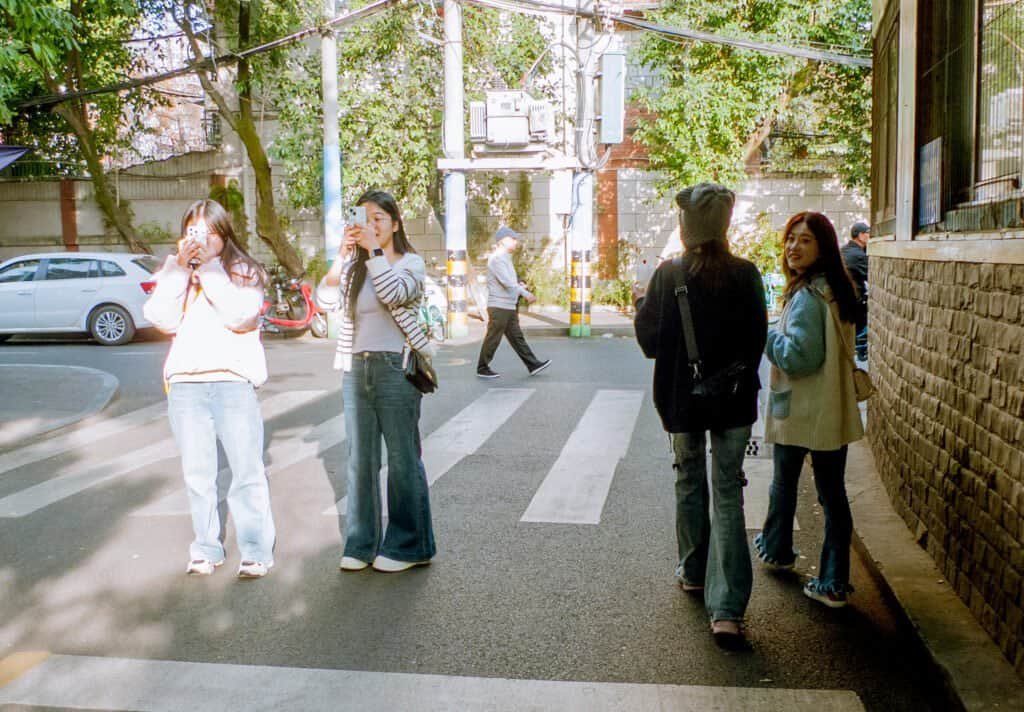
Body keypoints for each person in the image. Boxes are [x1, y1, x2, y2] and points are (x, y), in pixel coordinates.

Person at [634, 183, 768, 648]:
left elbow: (650, 344)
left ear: (686, 227)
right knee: (728, 493)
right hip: (733, 401)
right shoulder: (748, 274)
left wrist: (641, 308)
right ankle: (727, 611)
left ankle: (693, 570)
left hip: (682, 401)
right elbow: (756, 343)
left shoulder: (669, 275)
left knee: (688, 479)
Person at [143, 199, 276, 579]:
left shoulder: (243, 270)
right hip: (186, 384)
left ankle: (255, 550)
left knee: (246, 470)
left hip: (232, 382)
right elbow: (160, 318)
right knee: (197, 474)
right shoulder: (177, 272)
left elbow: (239, 314)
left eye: (208, 232)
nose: (200, 240)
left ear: (223, 233)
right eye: (193, 232)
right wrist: (179, 269)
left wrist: (212, 269)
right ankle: (205, 548)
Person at [316, 190, 436, 573]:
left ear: (395, 224)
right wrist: (342, 256)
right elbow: (323, 299)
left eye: (378, 218)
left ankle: (410, 545)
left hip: (395, 367)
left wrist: (374, 254)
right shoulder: (355, 267)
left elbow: (393, 294)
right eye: (364, 218)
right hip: (355, 367)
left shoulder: (410, 264)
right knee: (360, 460)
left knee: (402, 459)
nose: (370, 225)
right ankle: (362, 542)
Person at [754, 211, 865, 609]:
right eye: (790, 239)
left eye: (805, 240)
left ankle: (777, 549)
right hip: (830, 412)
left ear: (822, 248)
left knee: (785, 484)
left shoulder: (806, 297)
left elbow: (799, 357)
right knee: (833, 495)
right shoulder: (838, 290)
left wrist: (767, 335)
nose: (793, 247)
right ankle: (834, 582)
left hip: (799, 409)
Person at [476, 226, 551, 379]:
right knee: (493, 338)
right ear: (503, 241)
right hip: (499, 306)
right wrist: (524, 292)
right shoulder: (497, 258)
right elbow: (507, 282)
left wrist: (519, 285)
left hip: (508, 305)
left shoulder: (504, 258)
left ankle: (533, 364)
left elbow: (510, 281)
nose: (516, 242)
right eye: (513, 239)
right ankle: (482, 368)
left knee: (517, 338)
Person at [841, 221, 869, 360]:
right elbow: (871, 275)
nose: (870, 236)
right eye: (868, 233)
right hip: (855, 300)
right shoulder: (858, 255)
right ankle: (862, 346)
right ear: (860, 235)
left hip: (843, 298)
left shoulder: (845, 249)